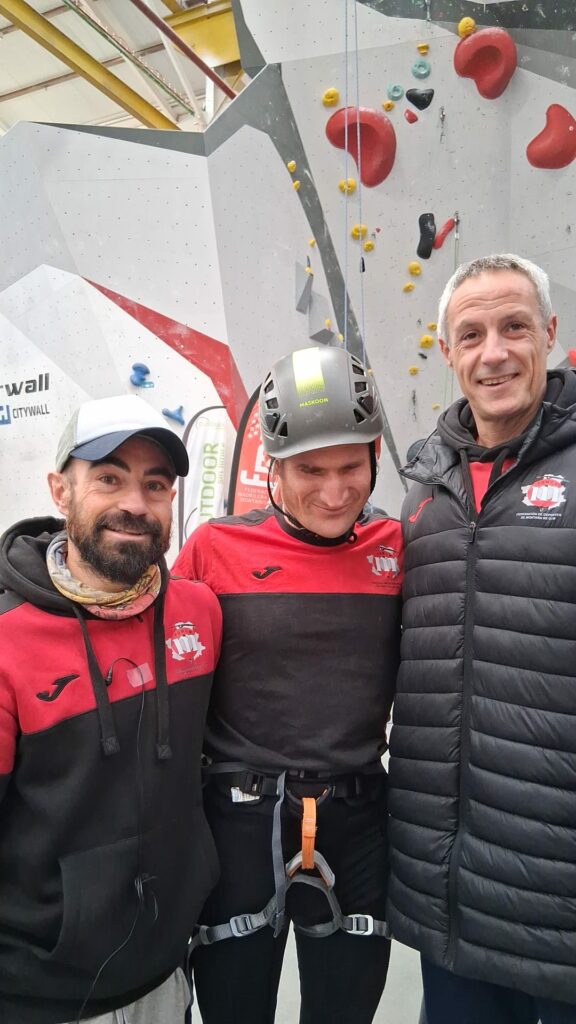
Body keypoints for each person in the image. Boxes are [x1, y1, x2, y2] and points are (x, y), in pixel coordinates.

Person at [173, 345, 403, 1024]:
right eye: (310, 470)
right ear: (272, 466)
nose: (334, 492)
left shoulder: (399, 549)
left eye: (349, 467)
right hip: (241, 823)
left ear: (374, 456)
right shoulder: (214, 551)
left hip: (358, 822)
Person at [386, 254, 576, 1023]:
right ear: (449, 353)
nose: (493, 352)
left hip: (558, 897)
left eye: (513, 328)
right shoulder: (425, 487)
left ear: (552, 336)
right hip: (452, 893)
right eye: (471, 334)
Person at [0, 395, 222, 1024]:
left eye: (156, 484)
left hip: (165, 978)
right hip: (38, 995)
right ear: (60, 490)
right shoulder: (6, 639)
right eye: (108, 478)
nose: (135, 503)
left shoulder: (200, 614)